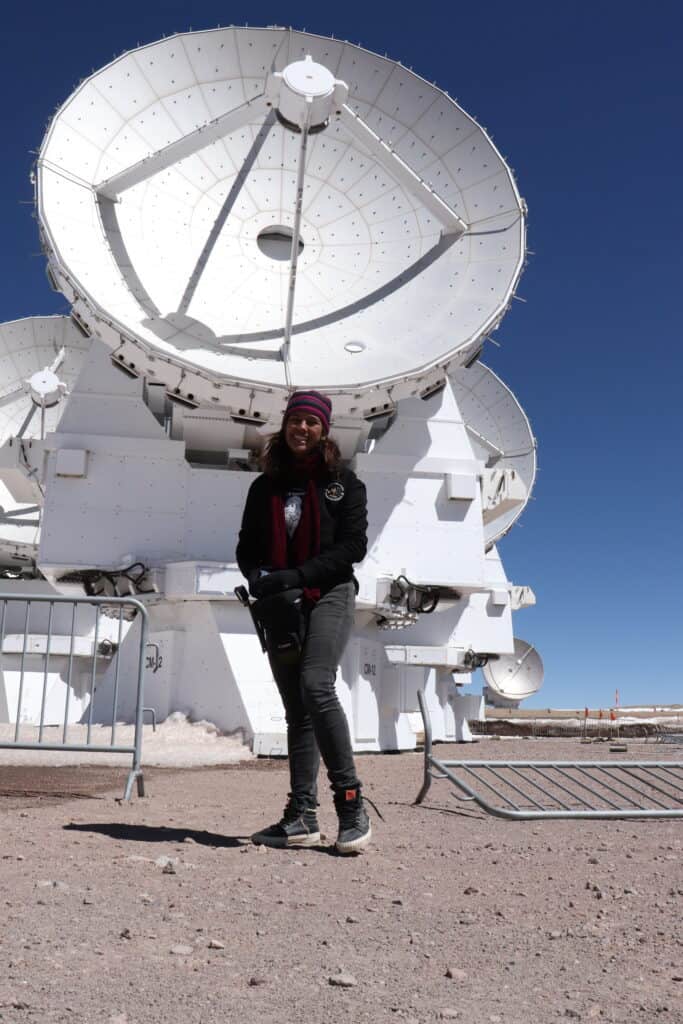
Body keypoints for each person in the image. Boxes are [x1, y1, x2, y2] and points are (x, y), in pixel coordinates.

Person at [236, 389, 372, 854]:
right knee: (297, 708)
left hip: (329, 593)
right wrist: (258, 577)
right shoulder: (264, 487)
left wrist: (296, 576)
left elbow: (352, 548)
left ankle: (351, 806)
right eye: (297, 421)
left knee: (316, 685)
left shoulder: (344, 484)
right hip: (280, 604)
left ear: (324, 430)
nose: (303, 429)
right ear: (286, 425)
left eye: (312, 423)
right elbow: (246, 547)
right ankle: (301, 816)